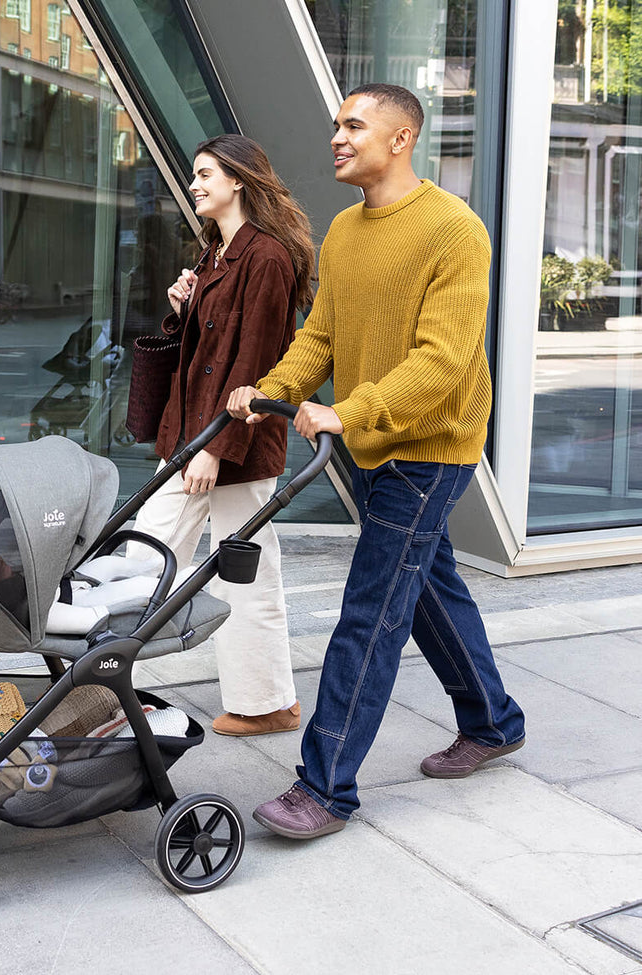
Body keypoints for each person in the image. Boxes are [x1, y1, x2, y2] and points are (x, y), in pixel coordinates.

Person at [227, 83, 525, 836]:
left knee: (370, 614)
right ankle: (493, 720)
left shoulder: (454, 230)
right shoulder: (344, 231)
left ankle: (324, 789)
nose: (337, 136)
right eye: (337, 124)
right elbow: (321, 333)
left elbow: (444, 358)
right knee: (424, 585)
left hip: (428, 451)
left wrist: (347, 410)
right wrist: (273, 388)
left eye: (354, 125)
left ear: (401, 139)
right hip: (369, 445)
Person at [128, 134, 316, 737]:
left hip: (228, 440)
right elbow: (207, 353)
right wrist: (182, 311)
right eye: (193, 175)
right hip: (195, 434)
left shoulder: (265, 257)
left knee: (245, 573)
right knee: (144, 553)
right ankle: (103, 682)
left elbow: (257, 359)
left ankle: (266, 705)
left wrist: (214, 447)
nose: (195, 184)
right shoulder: (217, 252)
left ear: (239, 180)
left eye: (206, 174)